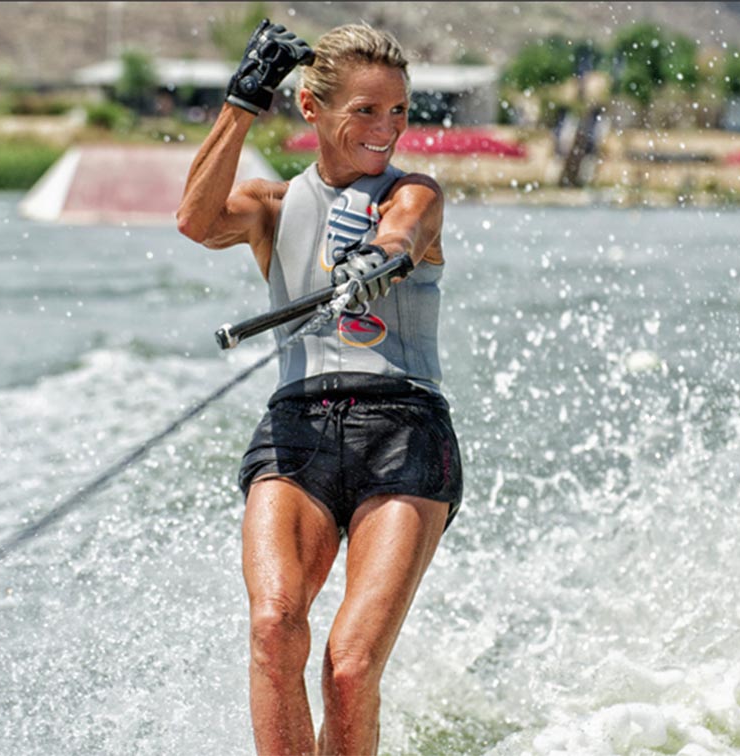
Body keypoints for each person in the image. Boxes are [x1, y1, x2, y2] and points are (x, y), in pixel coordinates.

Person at [176, 20, 462, 755]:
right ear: (311, 108)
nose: (385, 129)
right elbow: (196, 219)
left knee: (348, 666)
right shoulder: (272, 206)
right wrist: (244, 99)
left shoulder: (414, 192)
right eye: (364, 110)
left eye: (398, 111)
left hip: (404, 432)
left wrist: (376, 262)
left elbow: (406, 229)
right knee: (275, 626)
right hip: (297, 429)